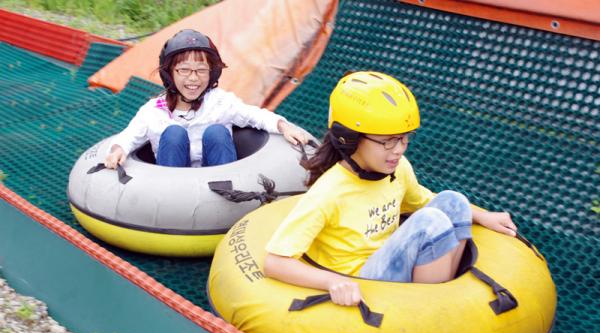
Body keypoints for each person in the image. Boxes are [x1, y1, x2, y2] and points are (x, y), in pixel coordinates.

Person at [264, 71, 517, 306]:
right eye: (387, 141)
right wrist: (332, 282)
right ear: (350, 139)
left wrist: (483, 215)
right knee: (430, 223)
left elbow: (423, 200)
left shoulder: (398, 168)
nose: (399, 149)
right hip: (364, 279)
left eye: (404, 138)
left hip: (391, 259)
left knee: (454, 201)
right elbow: (275, 262)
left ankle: (446, 291)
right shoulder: (330, 192)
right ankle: (431, 308)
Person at [105, 29, 309, 169]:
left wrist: (283, 126)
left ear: (211, 73)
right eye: (184, 70)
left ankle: (226, 193)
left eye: (201, 70)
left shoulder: (220, 102)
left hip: (216, 186)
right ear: (170, 73)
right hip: (170, 190)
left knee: (216, 132)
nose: (193, 78)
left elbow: (254, 115)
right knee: (174, 134)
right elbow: (129, 136)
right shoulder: (154, 111)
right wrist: (117, 150)